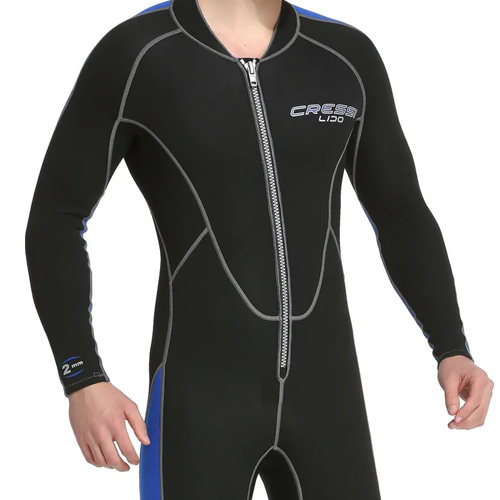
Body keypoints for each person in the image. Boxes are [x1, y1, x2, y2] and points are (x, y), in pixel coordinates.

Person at [25, 0, 494, 498]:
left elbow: (402, 215)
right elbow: (56, 218)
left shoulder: (344, 56)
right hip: (199, 400)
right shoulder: (139, 53)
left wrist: (451, 347)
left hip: (327, 399)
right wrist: (82, 377)